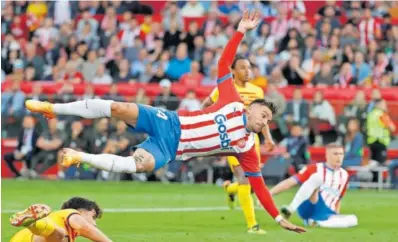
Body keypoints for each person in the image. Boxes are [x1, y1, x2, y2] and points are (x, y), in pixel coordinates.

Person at [25, 10, 305, 233]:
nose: (265, 122)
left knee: (139, 165)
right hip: (168, 121)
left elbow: (259, 187)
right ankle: (53, 107)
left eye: (269, 119)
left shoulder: (246, 147)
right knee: (120, 107)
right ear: (251, 108)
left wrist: (279, 220)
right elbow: (223, 64)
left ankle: (78, 156)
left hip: (172, 149)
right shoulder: (232, 99)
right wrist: (240, 31)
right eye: (264, 115)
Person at [201, 54, 275, 234]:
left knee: (249, 182)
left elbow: (261, 117)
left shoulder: (257, 91)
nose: (247, 71)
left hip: (251, 141)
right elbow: (206, 105)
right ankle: (252, 225)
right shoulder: (225, 88)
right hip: (231, 140)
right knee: (244, 178)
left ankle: (230, 189)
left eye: (249, 67)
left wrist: (268, 137)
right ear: (232, 71)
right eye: (242, 67)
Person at [270, 144, 358, 228]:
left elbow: (338, 199)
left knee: (353, 219)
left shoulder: (344, 175)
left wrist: (336, 215)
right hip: (310, 206)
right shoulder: (314, 168)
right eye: (335, 154)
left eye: (341, 154)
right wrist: (269, 194)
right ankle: (291, 208)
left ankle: (317, 222)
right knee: (317, 178)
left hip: (326, 212)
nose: (339, 157)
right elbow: (290, 182)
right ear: (327, 155)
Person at [10, 197, 112, 241]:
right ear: (80, 211)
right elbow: (85, 228)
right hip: (33, 236)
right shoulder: (72, 213)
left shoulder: (67, 229)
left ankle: (32, 224)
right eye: (93, 216)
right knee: (61, 234)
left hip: (22, 238)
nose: (94, 223)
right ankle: (33, 224)